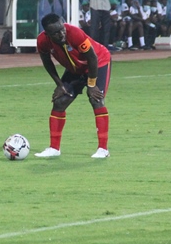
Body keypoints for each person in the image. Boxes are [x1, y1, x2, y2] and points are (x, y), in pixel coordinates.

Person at [34, 13, 112, 159]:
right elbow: (47, 62)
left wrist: (91, 84)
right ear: (47, 34)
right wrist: (59, 84)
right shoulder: (42, 41)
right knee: (60, 101)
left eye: (62, 29)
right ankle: (54, 148)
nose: (61, 34)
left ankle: (103, 149)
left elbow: (92, 57)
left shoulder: (75, 33)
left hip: (99, 62)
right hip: (75, 69)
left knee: (96, 99)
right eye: (56, 33)